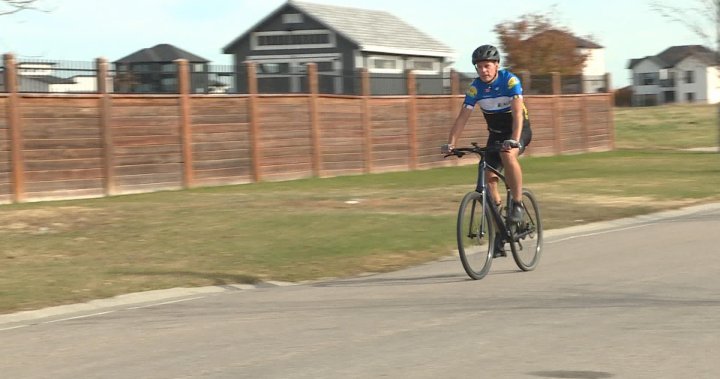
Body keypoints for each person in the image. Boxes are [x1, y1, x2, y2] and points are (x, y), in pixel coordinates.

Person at [441, 44, 532, 257]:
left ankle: (517, 204)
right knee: (488, 177)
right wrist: (451, 143)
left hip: (518, 130)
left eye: (487, 66)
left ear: (497, 65)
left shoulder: (509, 81)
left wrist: (515, 140)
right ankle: (500, 230)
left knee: (507, 154)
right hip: (496, 134)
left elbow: (518, 114)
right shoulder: (475, 88)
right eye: (479, 67)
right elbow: (462, 116)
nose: (483, 70)